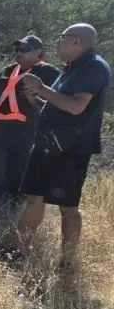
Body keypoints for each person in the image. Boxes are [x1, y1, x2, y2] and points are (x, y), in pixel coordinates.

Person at [7, 24, 109, 266]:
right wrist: (36, 96)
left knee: (68, 207)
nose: (58, 42)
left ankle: (67, 263)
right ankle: (19, 253)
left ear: (76, 41)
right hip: (48, 144)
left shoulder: (94, 67)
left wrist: (42, 87)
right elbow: (57, 106)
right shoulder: (71, 68)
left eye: (62, 37)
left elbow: (76, 107)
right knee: (34, 197)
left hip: (71, 150)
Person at [0, 36, 60, 208]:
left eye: (24, 49)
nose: (19, 53)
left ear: (38, 52)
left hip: (26, 131)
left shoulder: (49, 72)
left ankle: (14, 211)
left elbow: (57, 105)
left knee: (18, 171)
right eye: (17, 49)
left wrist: (35, 99)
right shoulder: (8, 69)